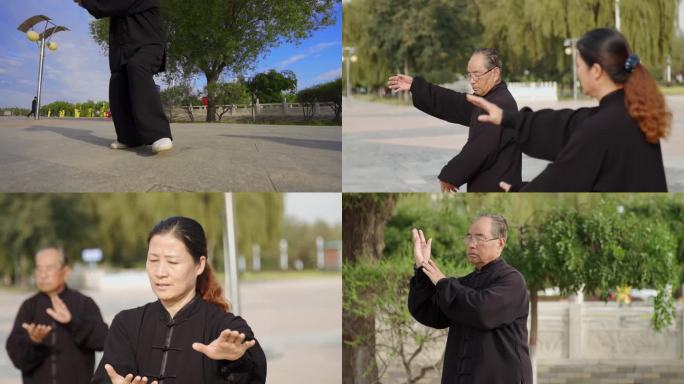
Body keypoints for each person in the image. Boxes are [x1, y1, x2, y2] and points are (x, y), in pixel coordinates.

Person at [467, 28, 669, 191]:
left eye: (579, 66)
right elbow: (564, 123)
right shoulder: (633, 111)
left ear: (596, 71)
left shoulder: (601, 127)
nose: (578, 73)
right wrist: (507, 117)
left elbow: (561, 180)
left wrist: (517, 191)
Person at [90, 216, 267, 384]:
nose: (160, 272)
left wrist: (235, 360)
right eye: (153, 260)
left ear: (200, 265)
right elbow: (109, 376)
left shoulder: (225, 327)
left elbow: (253, 372)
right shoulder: (127, 324)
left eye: (172, 262)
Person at [408, 215, 532, 384]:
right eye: (469, 237)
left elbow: (482, 311)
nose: (471, 244)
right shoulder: (465, 283)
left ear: (500, 243)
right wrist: (422, 268)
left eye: (480, 238)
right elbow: (429, 312)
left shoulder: (512, 281)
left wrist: (443, 283)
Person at [387, 48, 521, 192]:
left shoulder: (499, 104)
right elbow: (453, 102)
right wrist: (416, 86)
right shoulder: (488, 99)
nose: (472, 81)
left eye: (477, 75)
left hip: (497, 186)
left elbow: (479, 149)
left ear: (495, 73)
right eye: (469, 75)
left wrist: (450, 176)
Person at [75, 0, 173, 154]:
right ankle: (129, 138)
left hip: (149, 46)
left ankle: (159, 134)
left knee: (137, 66)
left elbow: (105, 6)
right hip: (123, 51)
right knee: (117, 82)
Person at [5, 247, 109, 384]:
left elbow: (104, 341)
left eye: (49, 268)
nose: (43, 274)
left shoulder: (83, 304)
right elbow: (17, 358)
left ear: (65, 272)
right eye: (39, 269)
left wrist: (73, 322)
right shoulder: (29, 307)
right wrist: (33, 341)